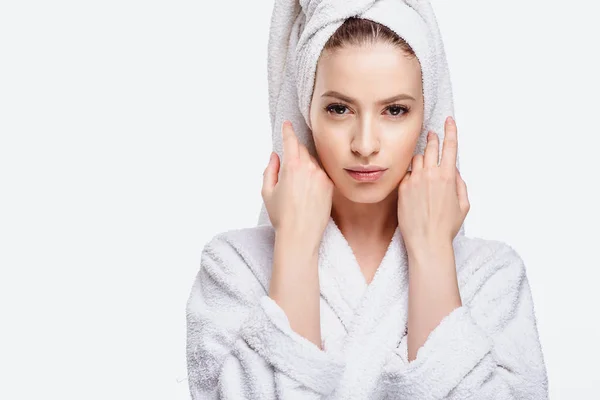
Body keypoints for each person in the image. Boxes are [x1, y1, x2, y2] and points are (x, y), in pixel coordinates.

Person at [186, 2, 549, 399]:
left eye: (395, 110)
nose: (364, 144)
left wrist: (431, 255)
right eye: (339, 109)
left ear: (426, 115)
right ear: (306, 112)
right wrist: (294, 249)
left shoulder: (492, 278)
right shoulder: (234, 269)